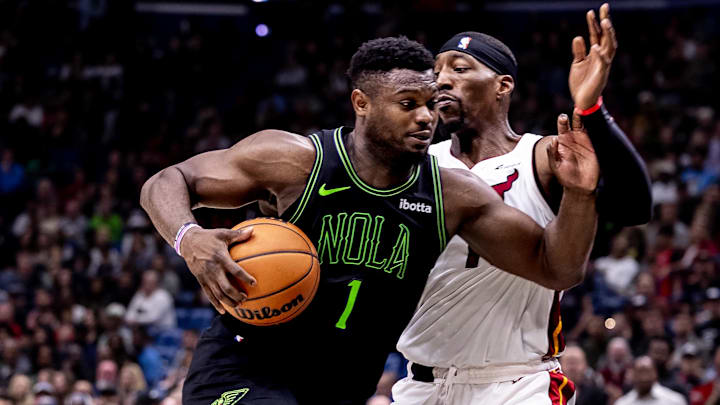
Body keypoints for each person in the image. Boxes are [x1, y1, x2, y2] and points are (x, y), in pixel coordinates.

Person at [141, 36, 603, 404]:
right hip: (247, 365)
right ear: (361, 103)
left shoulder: (450, 194)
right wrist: (189, 237)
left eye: (430, 103)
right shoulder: (295, 162)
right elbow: (167, 180)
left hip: (342, 385)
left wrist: (580, 196)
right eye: (408, 104)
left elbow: (556, 267)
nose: (426, 117)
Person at [393, 4, 651, 404]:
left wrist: (591, 110)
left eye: (459, 68)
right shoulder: (414, 165)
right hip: (422, 386)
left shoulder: (541, 155)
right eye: (437, 71)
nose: (442, 79)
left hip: (516, 383)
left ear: (503, 85)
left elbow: (635, 206)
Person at [615, 356, 686, 405]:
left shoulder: (674, 401)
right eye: (640, 371)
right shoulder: (623, 403)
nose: (644, 377)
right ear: (633, 374)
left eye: (647, 371)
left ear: (655, 373)